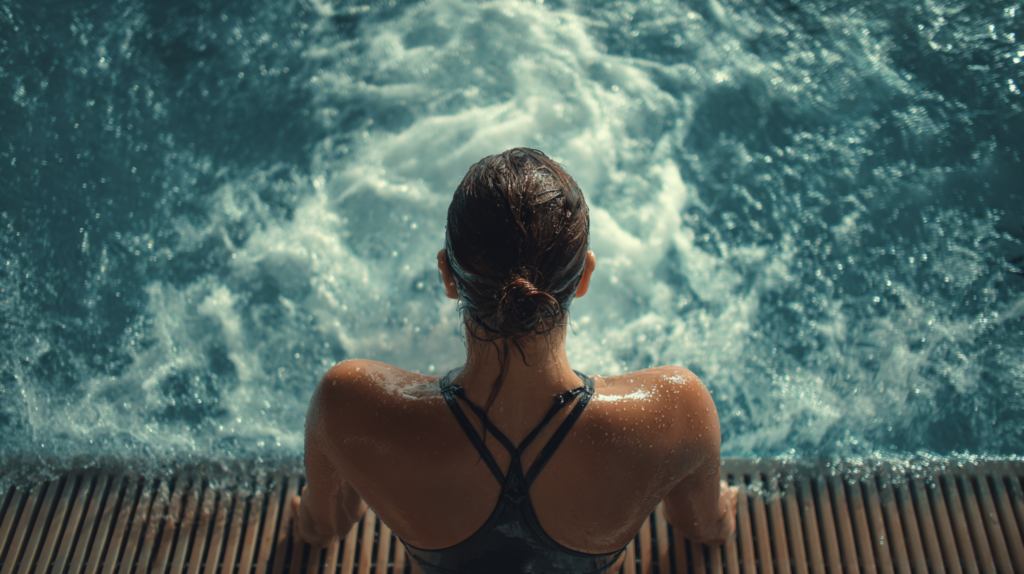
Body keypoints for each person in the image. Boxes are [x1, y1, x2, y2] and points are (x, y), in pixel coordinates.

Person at [291, 148, 738, 573]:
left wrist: (314, 516)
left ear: (448, 275)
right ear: (584, 277)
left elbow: (322, 527)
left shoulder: (348, 405)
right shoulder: (677, 409)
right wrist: (724, 513)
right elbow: (704, 528)